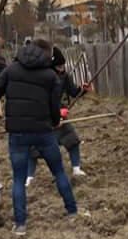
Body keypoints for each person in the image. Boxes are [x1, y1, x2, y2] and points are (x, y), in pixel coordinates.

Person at [0, 38, 77, 235]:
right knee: (58, 171)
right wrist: (56, 120)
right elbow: (54, 106)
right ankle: (72, 211)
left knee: (18, 178)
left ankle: (20, 225)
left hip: (17, 133)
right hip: (43, 132)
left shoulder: (10, 70)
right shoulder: (50, 76)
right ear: (47, 55)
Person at [25, 47, 92, 186]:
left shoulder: (64, 76)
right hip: (43, 119)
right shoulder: (43, 77)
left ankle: (76, 168)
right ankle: (29, 177)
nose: (62, 68)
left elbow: (73, 92)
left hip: (61, 117)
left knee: (72, 140)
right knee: (33, 148)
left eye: (63, 66)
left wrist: (82, 90)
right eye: (59, 66)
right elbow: (40, 99)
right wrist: (56, 111)